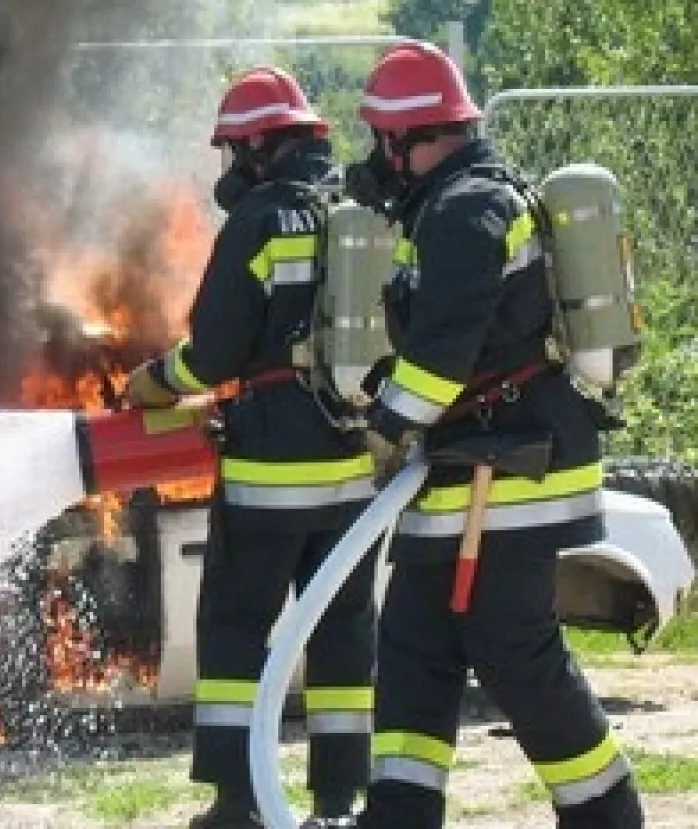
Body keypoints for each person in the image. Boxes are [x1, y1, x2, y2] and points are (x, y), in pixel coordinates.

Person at [347, 40, 645, 829]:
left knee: (510, 647)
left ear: (408, 138)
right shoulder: (447, 204)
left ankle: (605, 810)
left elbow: (443, 350)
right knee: (413, 642)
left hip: (516, 467)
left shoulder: (463, 208)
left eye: (380, 139)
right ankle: (401, 811)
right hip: (466, 464)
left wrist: (387, 426)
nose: (374, 158)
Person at [126, 66, 377, 829]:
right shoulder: (360, 210)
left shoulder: (261, 220)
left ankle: (237, 799)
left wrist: (152, 382)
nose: (230, 166)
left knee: (236, 629)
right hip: (354, 467)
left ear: (262, 146)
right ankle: (337, 800)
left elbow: (214, 353)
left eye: (234, 149)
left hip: (270, 469)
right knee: (341, 632)